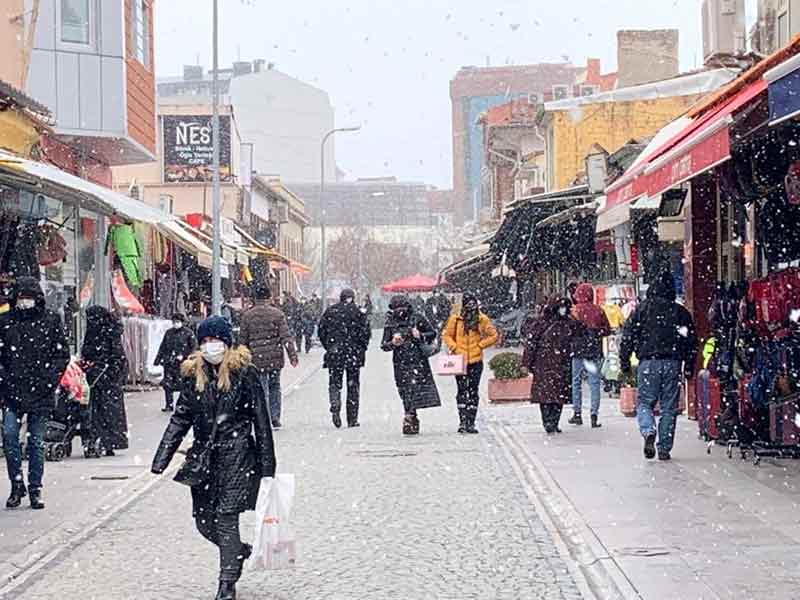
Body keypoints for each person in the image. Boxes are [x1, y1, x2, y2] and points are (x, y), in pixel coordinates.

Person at [151, 316, 275, 600]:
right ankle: (238, 552)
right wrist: (162, 456)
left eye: (215, 341)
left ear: (227, 343)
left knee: (225, 517)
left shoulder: (245, 372)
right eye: (205, 341)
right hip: (204, 457)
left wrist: (268, 465)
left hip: (238, 455)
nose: (210, 346)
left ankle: (226, 583)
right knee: (203, 520)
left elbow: (261, 420)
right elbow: (181, 416)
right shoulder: (193, 374)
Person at [0, 277, 69, 509]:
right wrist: (5, 381)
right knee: (10, 437)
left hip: (40, 392)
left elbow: (61, 355)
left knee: (36, 442)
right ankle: (16, 484)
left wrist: (48, 381)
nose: (25, 302)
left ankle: (35, 487)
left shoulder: (50, 321)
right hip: (11, 391)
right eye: (21, 297)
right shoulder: (5, 322)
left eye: (29, 297)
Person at [620, 271, 698, 461]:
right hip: (672, 362)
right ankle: (664, 448)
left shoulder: (641, 310)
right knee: (669, 408)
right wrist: (689, 365)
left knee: (645, 403)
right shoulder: (680, 312)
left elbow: (628, 336)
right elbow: (691, 341)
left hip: (648, 362)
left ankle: (648, 431)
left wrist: (625, 363)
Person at [239, 285, 298, 430]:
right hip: (275, 357)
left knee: (261, 388)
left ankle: (263, 417)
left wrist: (240, 358)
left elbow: (242, 340)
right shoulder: (277, 314)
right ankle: (275, 417)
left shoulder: (248, 315)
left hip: (256, 359)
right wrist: (292, 355)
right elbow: (286, 337)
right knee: (275, 387)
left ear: (255, 298)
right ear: (269, 297)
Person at [382, 295, 441, 435]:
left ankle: (409, 416)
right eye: (396, 308)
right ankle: (411, 415)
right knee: (403, 389)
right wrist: (393, 343)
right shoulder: (390, 322)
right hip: (399, 361)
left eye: (402, 308)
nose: (399, 311)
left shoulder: (417, 318)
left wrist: (420, 335)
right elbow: (384, 345)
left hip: (418, 360)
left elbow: (432, 333)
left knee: (414, 388)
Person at [525, 297, 584, 434]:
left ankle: (553, 422)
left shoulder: (569, 322)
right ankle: (548, 422)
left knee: (558, 396)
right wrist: (527, 362)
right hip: (545, 363)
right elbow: (531, 343)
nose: (563, 310)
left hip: (560, 364)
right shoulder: (542, 323)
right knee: (547, 396)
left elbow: (581, 332)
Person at [442, 293, 498, 434]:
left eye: (473, 304)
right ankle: (462, 421)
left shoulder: (481, 319)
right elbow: (446, 335)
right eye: (468, 304)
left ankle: (471, 422)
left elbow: (494, 335)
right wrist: (454, 347)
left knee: (473, 391)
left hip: (475, 360)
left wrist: (480, 345)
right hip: (459, 360)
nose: (471, 307)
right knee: (461, 390)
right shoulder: (456, 319)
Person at [318, 289, 372, 428]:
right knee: (353, 385)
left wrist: (329, 346)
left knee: (334, 382)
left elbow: (321, 331)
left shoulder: (331, 311)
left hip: (335, 353)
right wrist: (361, 347)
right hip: (353, 354)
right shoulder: (358, 312)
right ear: (352, 298)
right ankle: (352, 418)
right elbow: (366, 333)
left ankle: (335, 405)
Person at [81, 306, 129, 457]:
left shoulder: (108, 334)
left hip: (106, 379)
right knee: (102, 411)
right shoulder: (101, 332)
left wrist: (107, 371)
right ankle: (104, 440)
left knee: (105, 411)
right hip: (98, 378)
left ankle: (107, 441)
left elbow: (117, 358)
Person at [569, 283, 611, 428]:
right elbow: (607, 330)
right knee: (594, 384)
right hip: (594, 351)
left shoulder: (574, 311)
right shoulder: (598, 310)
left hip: (578, 350)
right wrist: (595, 332)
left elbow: (569, 331)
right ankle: (594, 415)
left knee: (576, 383)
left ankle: (577, 413)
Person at [154, 313, 196, 412]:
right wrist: (158, 359)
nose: (175, 323)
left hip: (182, 364)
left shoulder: (188, 333)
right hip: (169, 362)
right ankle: (169, 404)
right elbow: (163, 346)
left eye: (177, 321)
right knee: (167, 384)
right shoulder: (169, 333)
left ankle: (182, 405)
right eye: (174, 322)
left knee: (183, 384)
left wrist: (185, 356)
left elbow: (193, 348)